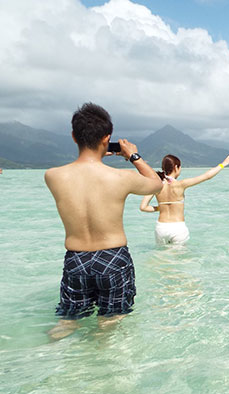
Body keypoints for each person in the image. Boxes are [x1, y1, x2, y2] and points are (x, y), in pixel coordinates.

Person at [44, 102, 162, 339]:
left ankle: (47, 359)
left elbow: (85, 174)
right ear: (107, 138)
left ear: (73, 137)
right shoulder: (120, 177)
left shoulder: (53, 176)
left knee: (67, 322)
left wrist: (96, 153)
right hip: (113, 257)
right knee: (109, 325)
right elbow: (157, 183)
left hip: (75, 260)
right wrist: (133, 156)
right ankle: (101, 372)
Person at [140, 153, 229, 245]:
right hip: (177, 228)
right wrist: (223, 164)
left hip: (161, 228)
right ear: (176, 167)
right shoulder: (181, 184)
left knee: (160, 257)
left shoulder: (157, 185)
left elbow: (143, 207)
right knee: (179, 260)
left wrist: (159, 208)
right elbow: (207, 176)